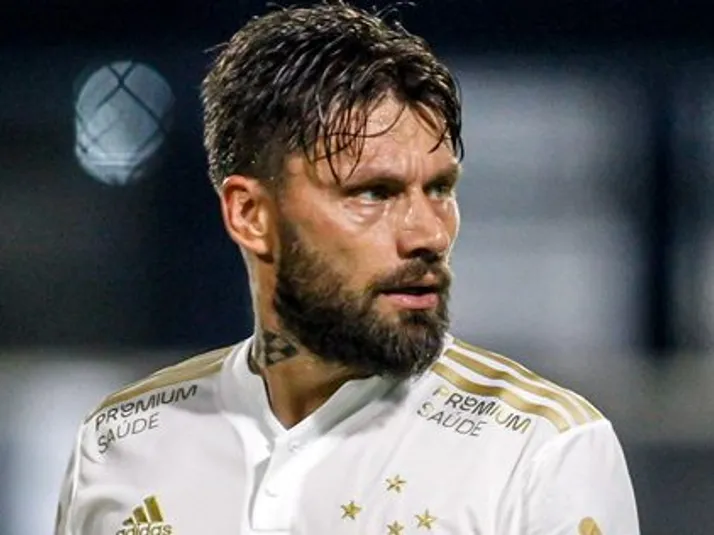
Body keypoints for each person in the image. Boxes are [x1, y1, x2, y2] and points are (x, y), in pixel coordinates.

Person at [55, 2, 640, 534]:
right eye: (374, 193)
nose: (429, 235)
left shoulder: (538, 452)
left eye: (440, 189)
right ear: (250, 214)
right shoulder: (121, 442)